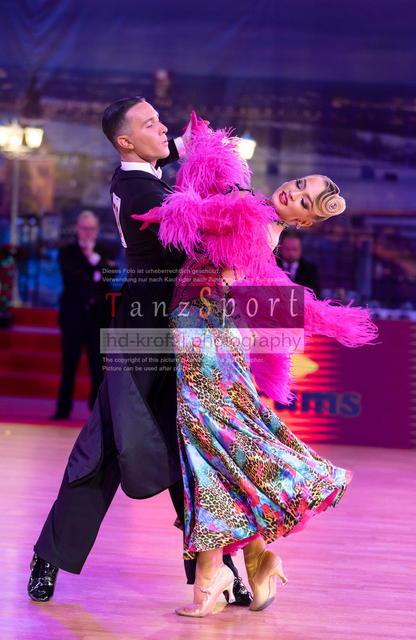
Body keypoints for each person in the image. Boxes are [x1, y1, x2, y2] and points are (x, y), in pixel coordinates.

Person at [133, 121, 377, 617]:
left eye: (304, 201)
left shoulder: (252, 215)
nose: (294, 193)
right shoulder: (257, 212)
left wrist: (175, 197)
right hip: (205, 327)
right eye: (300, 184)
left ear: (304, 223)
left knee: (209, 442)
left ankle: (219, 570)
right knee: (215, 442)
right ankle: (250, 561)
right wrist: (204, 154)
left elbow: (196, 214)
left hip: (203, 327)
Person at [27, 98, 250, 606]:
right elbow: (205, 223)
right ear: (126, 141)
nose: (163, 128)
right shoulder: (139, 191)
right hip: (144, 333)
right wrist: (257, 210)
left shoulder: (142, 175)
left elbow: (170, 152)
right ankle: (50, 555)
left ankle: (215, 569)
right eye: (150, 124)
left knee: (192, 450)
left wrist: (191, 145)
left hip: (183, 329)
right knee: (104, 446)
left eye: (160, 120)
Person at [50, 210, 117, 420]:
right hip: (73, 317)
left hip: (98, 318)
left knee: (98, 368)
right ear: (77, 229)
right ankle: (63, 409)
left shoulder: (105, 250)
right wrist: (96, 271)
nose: (88, 232)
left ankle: (97, 412)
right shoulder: (67, 252)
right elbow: (71, 275)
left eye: (91, 228)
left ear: (97, 229)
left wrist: (93, 259)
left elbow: (111, 274)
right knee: (69, 365)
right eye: (84, 228)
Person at [277, 230, 321, 298]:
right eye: (287, 249)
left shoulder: (310, 269)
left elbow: (315, 294)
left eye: (295, 249)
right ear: (281, 249)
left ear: (301, 249)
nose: (291, 253)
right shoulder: (273, 265)